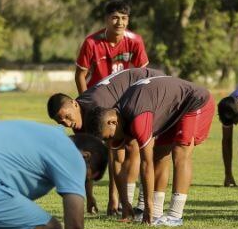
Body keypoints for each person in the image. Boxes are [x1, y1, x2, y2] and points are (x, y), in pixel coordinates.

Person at [95, 75, 214, 226]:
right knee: (159, 154)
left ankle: (175, 215)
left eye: (109, 136)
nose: (110, 141)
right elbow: (120, 164)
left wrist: (147, 206)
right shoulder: (118, 118)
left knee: (180, 152)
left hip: (195, 101)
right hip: (172, 109)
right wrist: (125, 204)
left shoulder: (137, 117)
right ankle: (157, 212)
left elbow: (146, 163)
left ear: (113, 122)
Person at [47, 65, 164, 215]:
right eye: (62, 122)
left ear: (75, 103)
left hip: (149, 81)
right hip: (131, 88)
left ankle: (141, 206)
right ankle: (126, 203)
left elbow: (115, 158)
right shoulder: (79, 122)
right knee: (126, 147)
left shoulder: (98, 109)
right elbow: (86, 160)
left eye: (68, 117)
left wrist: (114, 199)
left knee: (134, 145)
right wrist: (89, 197)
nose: (68, 124)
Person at [74, 0, 149, 94]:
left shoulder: (136, 41)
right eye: (115, 18)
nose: (120, 23)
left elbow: (143, 75)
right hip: (96, 94)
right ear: (106, 19)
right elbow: (80, 75)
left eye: (124, 18)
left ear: (128, 20)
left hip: (122, 95)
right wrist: (85, 101)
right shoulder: (91, 42)